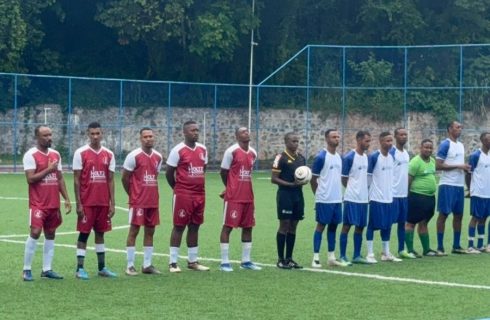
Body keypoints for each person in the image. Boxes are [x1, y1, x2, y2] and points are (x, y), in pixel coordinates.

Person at [22, 125, 72, 281]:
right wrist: (49, 169)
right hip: (38, 203)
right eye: (45, 135)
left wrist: (66, 198)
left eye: (50, 134)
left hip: (53, 203)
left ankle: (47, 269)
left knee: (51, 234)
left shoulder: (56, 154)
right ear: (37, 137)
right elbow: (30, 179)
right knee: (35, 233)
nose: (49, 138)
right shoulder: (31, 155)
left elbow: (59, 177)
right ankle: (26, 269)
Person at [73, 121, 117, 279]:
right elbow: (76, 180)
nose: (95, 136)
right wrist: (79, 203)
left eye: (98, 133)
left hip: (103, 202)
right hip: (87, 202)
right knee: (83, 234)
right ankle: (79, 269)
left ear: (102, 133)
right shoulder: (80, 153)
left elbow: (111, 180)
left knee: (100, 233)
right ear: (88, 134)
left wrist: (113, 203)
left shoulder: (109, 154)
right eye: (92, 134)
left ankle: (102, 267)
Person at [166, 120, 209, 273]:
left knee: (195, 225)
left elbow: (203, 168)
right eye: (192, 130)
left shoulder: (203, 149)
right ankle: (172, 263)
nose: (195, 132)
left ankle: (193, 261)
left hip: (199, 194)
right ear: (184, 132)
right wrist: (178, 188)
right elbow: (169, 172)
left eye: (197, 130)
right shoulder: (177, 150)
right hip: (183, 194)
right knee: (179, 226)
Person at [219, 127, 262, 272]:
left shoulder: (253, 153)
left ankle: (246, 261)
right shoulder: (231, 151)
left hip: (248, 197)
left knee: (248, 227)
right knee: (228, 227)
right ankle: (224, 262)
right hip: (234, 197)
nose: (247, 133)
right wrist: (230, 188)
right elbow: (223, 172)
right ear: (237, 135)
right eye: (243, 132)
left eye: (248, 131)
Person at [122, 127, 164, 276]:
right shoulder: (133, 156)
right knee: (134, 231)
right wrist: (133, 194)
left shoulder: (158, 157)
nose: (148, 139)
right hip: (138, 201)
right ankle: (130, 265)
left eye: (151, 136)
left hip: (152, 200)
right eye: (145, 137)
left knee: (150, 231)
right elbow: (125, 178)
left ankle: (147, 265)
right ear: (140, 139)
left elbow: (155, 175)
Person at [311, 129, 349, 268]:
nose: (337, 139)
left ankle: (331, 257)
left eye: (338, 136)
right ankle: (315, 257)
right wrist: (319, 196)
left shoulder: (339, 157)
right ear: (327, 139)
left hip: (337, 199)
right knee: (321, 226)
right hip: (324, 200)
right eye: (333, 137)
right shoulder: (321, 157)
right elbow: (313, 179)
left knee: (333, 227)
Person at [271, 132, 306, 269]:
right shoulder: (280, 157)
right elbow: (274, 178)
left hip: (298, 195)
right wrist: (290, 184)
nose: (296, 144)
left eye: (297, 141)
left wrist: (304, 180)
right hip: (285, 195)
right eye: (293, 141)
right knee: (284, 225)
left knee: (293, 226)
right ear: (286, 142)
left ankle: (289, 258)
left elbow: (303, 175)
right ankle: (281, 259)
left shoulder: (301, 158)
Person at [435, 121, 470, 255]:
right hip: (447, 185)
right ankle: (439, 247)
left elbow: (459, 164)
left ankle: (456, 245)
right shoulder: (445, 144)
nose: (460, 129)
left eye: (461, 127)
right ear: (450, 129)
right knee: (443, 215)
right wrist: (458, 166)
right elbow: (438, 165)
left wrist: (465, 168)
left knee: (459, 216)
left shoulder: (461, 145)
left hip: (459, 186)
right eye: (457, 127)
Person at [366, 131, 401, 263]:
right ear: (381, 141)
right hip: (376, 198)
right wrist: (368, 193)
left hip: (389, 198)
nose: (390, 143)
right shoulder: (374, 156)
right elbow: (368, 176)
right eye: (387, 141)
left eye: (391, 141)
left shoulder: (392, 156)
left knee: (387, 226)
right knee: (372, 226)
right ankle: (370, 253)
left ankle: (385, 253)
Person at [339, 130, 371, 265]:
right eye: (366, 141)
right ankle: (342, 256)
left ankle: (357, 255)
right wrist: (352, 190)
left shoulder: (366, 157)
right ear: (358, 140)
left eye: (369, 141)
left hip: (364, 199)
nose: (368, 144)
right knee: (347, 226)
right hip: (351, 198)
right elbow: (343, 179)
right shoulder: (349, 157)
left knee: (360, 227)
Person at [405, 139, 439, 257]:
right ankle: (410, 250)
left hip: (430, 198)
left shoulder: (432, 161)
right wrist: (407, 196)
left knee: (424, 223)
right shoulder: (415, 162)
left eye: (430, 148)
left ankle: (427, 249)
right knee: (411, 223)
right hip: (416, 197)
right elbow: (408, 180)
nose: (428, 150)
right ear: (421, 148)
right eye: (426, 147)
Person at [389, 128, 416, 259]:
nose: (404, 137)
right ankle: (386, 250)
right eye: (401, 134)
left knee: (402, 223)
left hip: (403, 195)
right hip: (392, 194)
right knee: (388, 223)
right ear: (395, 136)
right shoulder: (391, 152)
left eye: (405, 134)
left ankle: (401, 249)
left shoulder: (406, 153)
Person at [466, 132, 490, 253]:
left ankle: (480, 245)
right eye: (488, 139)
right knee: (475, 217)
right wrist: (470, 189)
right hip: (478, 192)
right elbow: (468, 173)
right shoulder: (476, 155)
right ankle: (470, 246)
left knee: (484, 218)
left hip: (488, 193)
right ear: (482, 141)